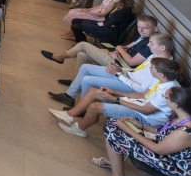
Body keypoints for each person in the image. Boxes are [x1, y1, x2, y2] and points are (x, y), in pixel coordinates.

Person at [97, 86, 191, 176]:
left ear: (176, 104)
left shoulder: (185, 133)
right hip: (169, 153)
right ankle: (112, 161)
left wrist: (129, 130)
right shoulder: (183, 117)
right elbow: (161, 132)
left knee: (114, 130)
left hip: (176, 167)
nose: (164, 99)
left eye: (166, 97)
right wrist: (140, 125)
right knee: (113, 123)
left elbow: (157, 149)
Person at [49, 58, 182, 138]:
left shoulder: (168, 92)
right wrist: (114, 91)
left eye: (152, 68)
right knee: (93, 92)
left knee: (94, 107)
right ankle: (69, 115)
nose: (150, 70)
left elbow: (146, 110)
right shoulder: (160, 81)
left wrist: (116, 99)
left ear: (161, 74)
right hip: (138, 104)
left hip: (143, 117)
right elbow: (142, 95)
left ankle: (79, 129)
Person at [48, 33, 175, 108]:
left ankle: (82, 108)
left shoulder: (163, 68)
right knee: (85, 67)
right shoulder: (154, 56)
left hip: (128, 85)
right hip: (126, 75)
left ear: (162, 47)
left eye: (151, 43)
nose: (148, 45)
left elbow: (141, 89)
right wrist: (121, 70)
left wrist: (119, 75)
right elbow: (136, 72)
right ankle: (69, 96)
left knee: (87, 80)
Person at [42, 14, 158, 70]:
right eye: (139, 27)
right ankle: (76, 82)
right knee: (82, 54)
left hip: (122, 66)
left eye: (145, 28)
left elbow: (132, 62)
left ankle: (60, 56)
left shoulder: (151, 44)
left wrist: (118, 48)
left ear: (155, 29)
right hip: (117, 57)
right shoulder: (143, 36)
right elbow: (127, 47)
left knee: (83, 45)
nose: (140, 30)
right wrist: (118, 51)